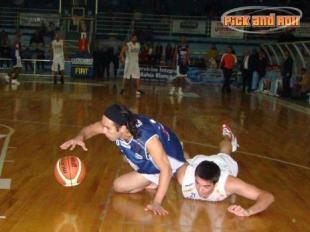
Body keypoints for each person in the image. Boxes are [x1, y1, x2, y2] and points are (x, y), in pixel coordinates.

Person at [60, 104, 186, 216]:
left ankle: (183, 159)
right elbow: (90, 130)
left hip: (170, 158)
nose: (103, 130)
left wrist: (156, 202)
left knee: (178, 179)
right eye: (103, 126)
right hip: (152, 161)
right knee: (119, 186)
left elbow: (166, 168)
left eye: (107, 128)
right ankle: (157, 179)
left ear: (123, 128)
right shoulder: (119, 123)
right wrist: (79, 137)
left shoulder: (146, 137)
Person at [176, 125, 274, 217]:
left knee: (224, 152)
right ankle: (180, 146)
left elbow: (267, 196)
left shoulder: (229, 183)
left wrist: (248, 212)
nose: (200, 189)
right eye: (197, 183)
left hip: (222, 162)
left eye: (206, 186)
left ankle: (228, 137)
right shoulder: (184, 177)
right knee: (182, 159)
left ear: (216, 183)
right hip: (198, 163)